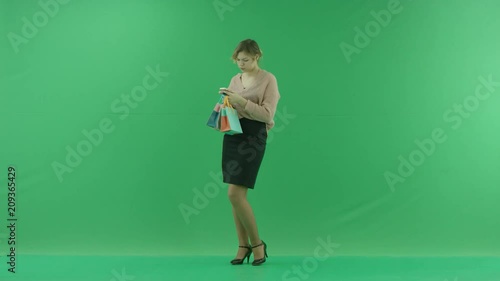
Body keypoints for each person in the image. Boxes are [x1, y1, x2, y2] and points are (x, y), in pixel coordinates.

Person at [218, 39, 280, 266]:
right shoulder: (235, 79)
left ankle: (257, 245)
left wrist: (241, 101)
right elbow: (232, 105)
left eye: (245, 60)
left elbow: (267, 115)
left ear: (257, 57)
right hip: (233, 135)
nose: (241, 64)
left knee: (234, 194)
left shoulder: (268, 79)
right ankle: (242, 246)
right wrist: (223, 103)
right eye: (238, 60)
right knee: (236, 197)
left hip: (253, 137)